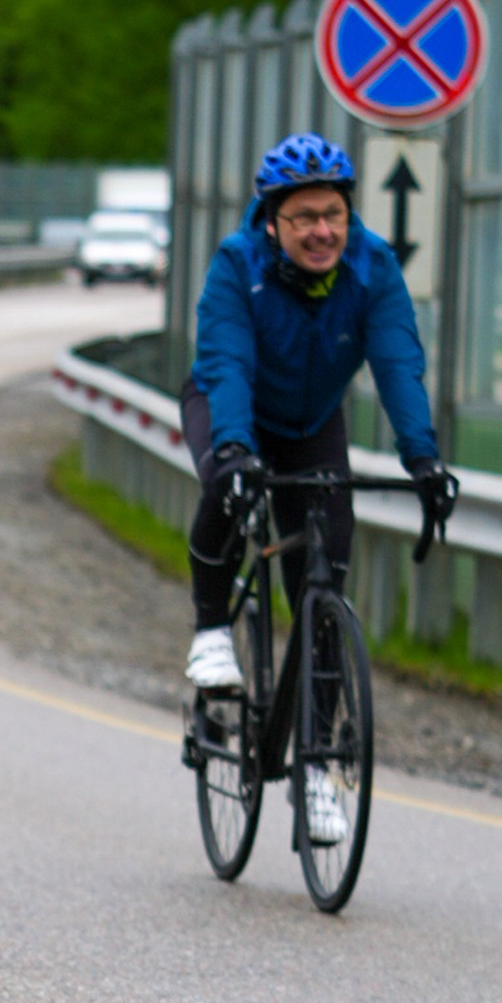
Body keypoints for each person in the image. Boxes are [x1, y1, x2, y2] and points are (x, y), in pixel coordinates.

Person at [183, 133, 457, 841]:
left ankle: (317, 771)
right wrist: (237, 449)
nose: (321, 230)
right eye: (303, 217)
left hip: (311, 424)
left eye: (332, 213)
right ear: (272, 220)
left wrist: (422, 459)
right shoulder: (236, 266)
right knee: (225, 487)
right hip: (230, 404)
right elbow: (228, 359)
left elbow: (398, 363)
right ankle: (213, 632)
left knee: (325, 583)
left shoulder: (374, 269)